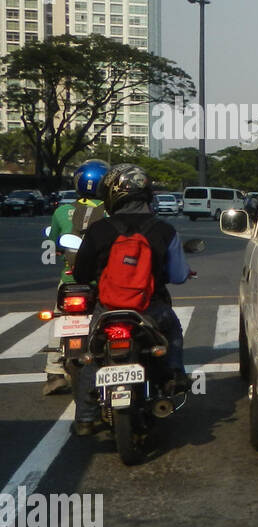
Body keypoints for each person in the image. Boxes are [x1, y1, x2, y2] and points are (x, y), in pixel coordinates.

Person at [71, 163, 194, 436]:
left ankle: (85, 418)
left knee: (93, 353)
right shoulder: (164, 230)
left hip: (108, 308)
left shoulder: (98, 230)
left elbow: (81, 273)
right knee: (172, 330)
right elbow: (177, 275)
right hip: (151, 307)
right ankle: (174, 377)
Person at [42, 159, 108, 395]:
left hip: (71, 281)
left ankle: (54, 372)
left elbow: (52, 243)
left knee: (59, 318)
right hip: (100, 280)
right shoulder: (111, 212)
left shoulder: (61, 211)